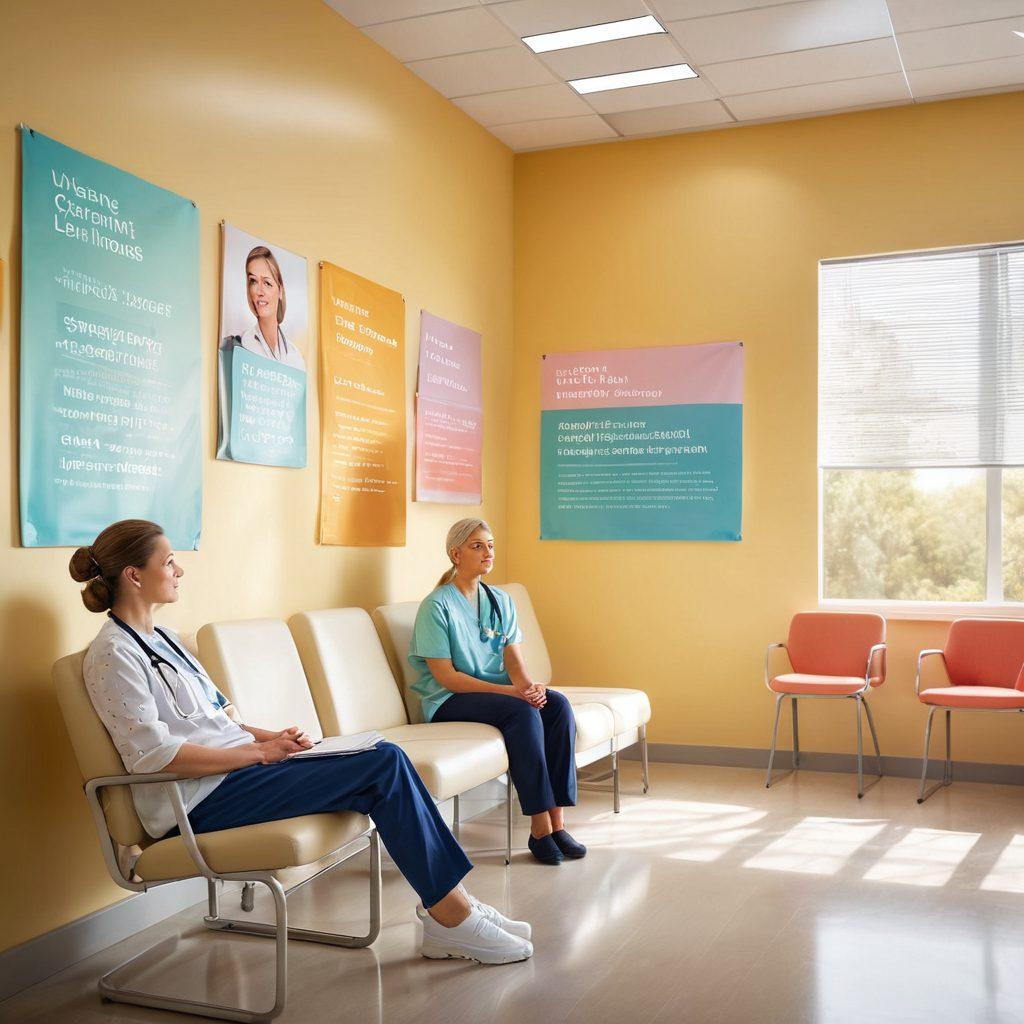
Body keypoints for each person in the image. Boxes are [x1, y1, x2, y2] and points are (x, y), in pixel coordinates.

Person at [71, 519, 531, 965]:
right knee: (384, 764)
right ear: (134, 575)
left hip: (235, 775)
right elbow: (154, 756)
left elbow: (214, 719)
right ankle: (451, 914)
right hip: (197, 801)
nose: (179, 571)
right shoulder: (113, 655)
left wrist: (270, 737)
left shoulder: (164, 639)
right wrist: (258, 753)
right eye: (169, 562)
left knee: (383, 755)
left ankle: (453, 904)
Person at [410, 519, 586, 866]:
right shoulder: (436, 606)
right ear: (455, 554)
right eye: (477, 546)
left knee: (557, 706)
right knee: (521, 713)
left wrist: (530, 688)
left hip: (497, 694)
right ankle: (539, 829)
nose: (487, 552)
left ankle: (557, 823)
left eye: (490, 545)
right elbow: (447, 678)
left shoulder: (500, 600)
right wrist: (511, 694)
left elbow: (515, 663)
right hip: (449, 700)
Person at [235, 245, 305, 370]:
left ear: (280, 291)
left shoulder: (295, 357)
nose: (259, 291)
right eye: (253, 281)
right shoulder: (241, 345)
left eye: (267, 283)